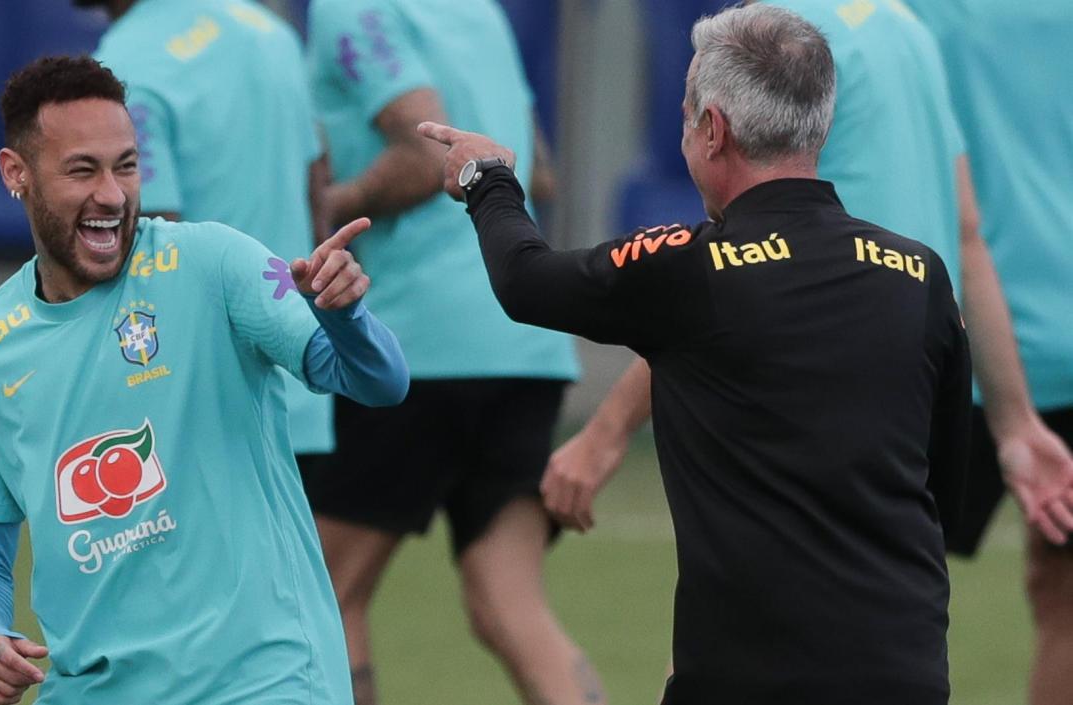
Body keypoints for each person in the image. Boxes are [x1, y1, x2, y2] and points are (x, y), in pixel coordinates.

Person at [421, 4, 973, 702]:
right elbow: (942, 488)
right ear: (821, 125)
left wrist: (487, 181)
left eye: (687, 114)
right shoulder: (919, 275)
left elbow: (527, 281)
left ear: (713, 129)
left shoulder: (690, 270)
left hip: (747, 677)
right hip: (907, 673)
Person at [0, 55, 408, 705]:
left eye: (126, 166)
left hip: (262, 681)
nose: (111, 193)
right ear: (16, 174)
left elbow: (377, 381)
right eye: (83, 169)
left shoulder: (215, 263)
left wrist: (347, 317)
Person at [537, 0, 1073, 547]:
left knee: (772, 614)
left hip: (802, 389)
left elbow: (725, 276)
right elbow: (966, 234)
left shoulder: (774, 34)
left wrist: (604, 433)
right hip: (903, 391)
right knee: (890, 609)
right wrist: (1015, 425)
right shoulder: (906, 29)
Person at [302, 2, 597, 704]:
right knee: (509, 605)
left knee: (324, 595)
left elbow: (425, 151)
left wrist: (325, 209)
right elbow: (537, 168)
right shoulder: (476, 12)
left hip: (417, 348)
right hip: (524, 343)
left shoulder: (350, 10)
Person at [80, 0, 338, 470]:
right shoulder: (268, 30)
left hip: (201, 398)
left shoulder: (127, 65)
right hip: (295, 370)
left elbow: (150, 243)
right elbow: (316, 188)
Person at [903, 2, 1073, 702]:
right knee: (1063, 596)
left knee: (830, 580)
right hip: (1060, 338)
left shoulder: (906, 14)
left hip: (957, 333)